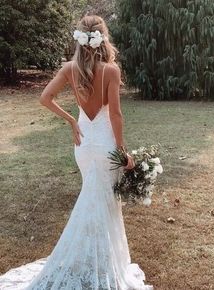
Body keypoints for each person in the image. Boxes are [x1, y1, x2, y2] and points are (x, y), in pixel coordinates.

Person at [1, 15, 153, 290]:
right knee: (105, 202)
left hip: (83, 143)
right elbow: (116, 114)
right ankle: (101, 264)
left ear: (80, 39)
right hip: (105, 143)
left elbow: (45, 97)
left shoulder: (70, 68)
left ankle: (95, 260)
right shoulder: (111, 71)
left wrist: (72, 120)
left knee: (94, 198)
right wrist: (122, 152)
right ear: (103, 38)